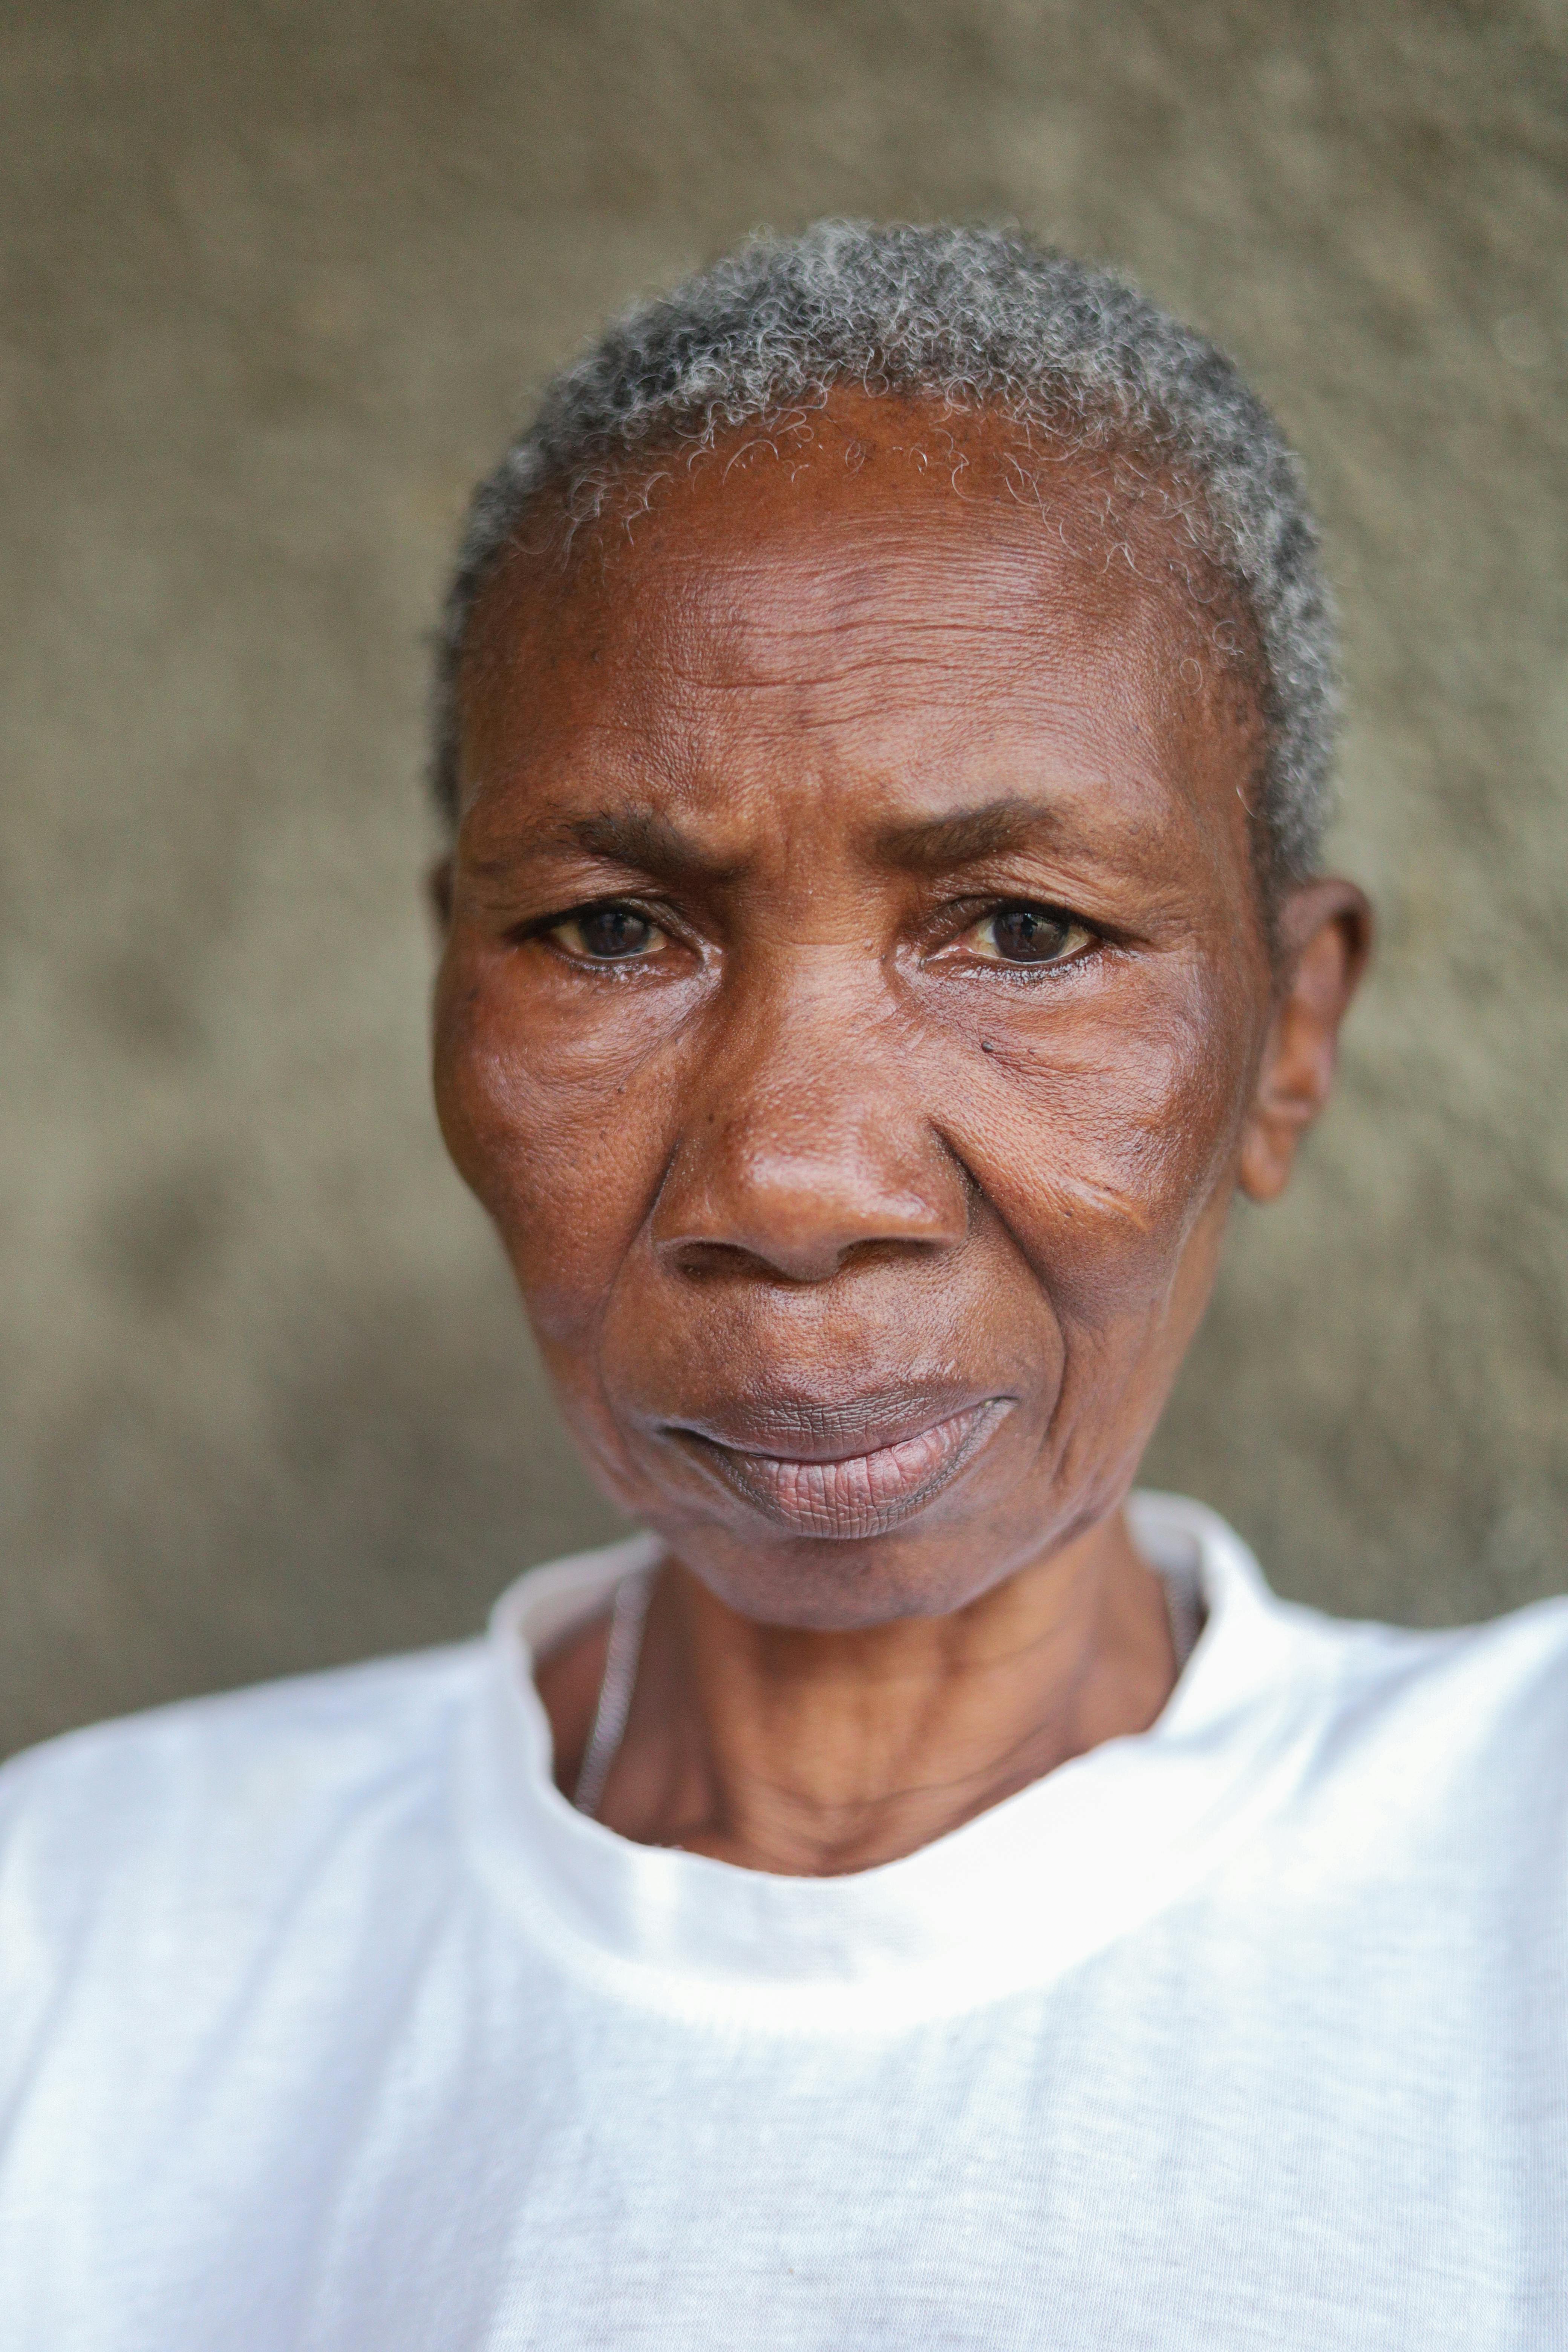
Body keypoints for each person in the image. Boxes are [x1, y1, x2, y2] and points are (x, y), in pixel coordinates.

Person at [1, 221, 1562, 2349]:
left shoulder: (1523, 1872)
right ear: (450, 981)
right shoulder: (85, 1944)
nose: (795, 1185)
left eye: (1019, 931)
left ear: (1291, 1034)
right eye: (609, 932)